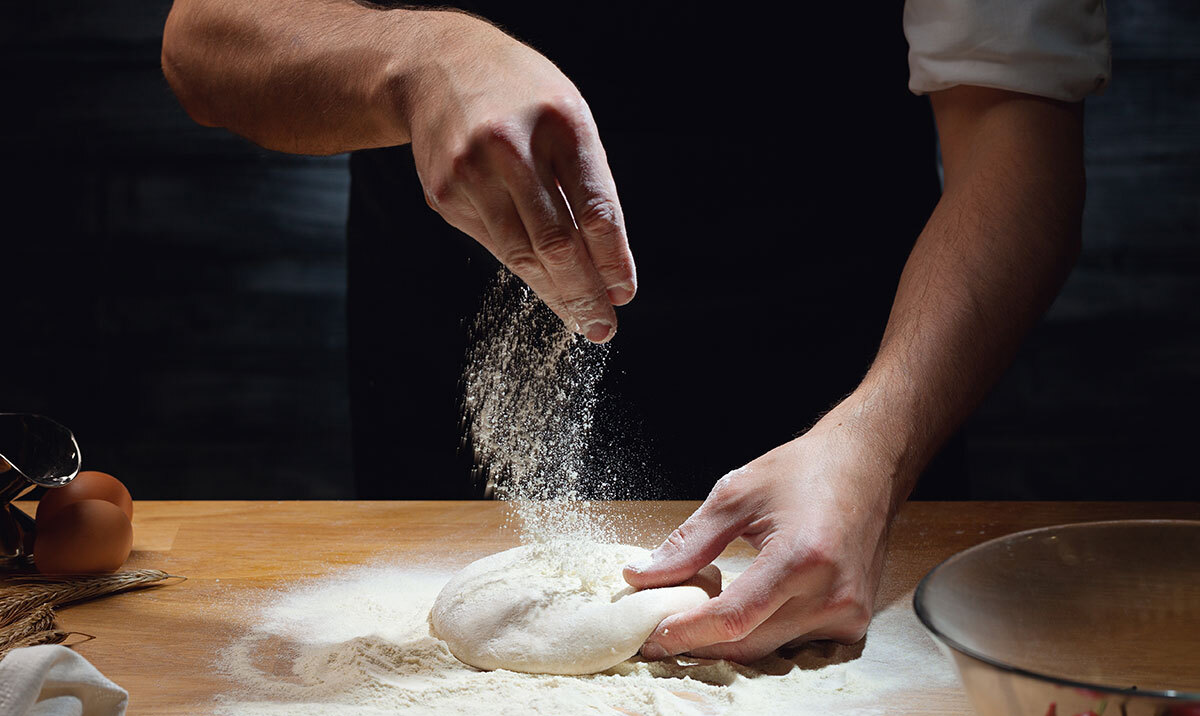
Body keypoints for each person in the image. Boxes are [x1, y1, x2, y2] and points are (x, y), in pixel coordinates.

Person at [160, 1, 1110, 662]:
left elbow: (1016, 139)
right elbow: (206, 38)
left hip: (842, 415)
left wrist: (877, 442)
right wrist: (415, 61)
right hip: (447, 411)